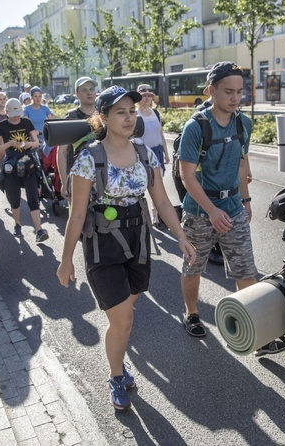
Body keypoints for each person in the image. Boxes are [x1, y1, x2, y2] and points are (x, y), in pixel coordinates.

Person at [56, 85, 195, 411]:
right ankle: (116, 376)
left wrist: (181, 236)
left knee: (125, 311)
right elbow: (76, 214)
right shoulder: (90, 158)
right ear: (102, 117)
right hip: (103, 246)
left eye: (132, 111)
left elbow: (160, 200)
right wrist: (65, 260)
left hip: (139, 243)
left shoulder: (145, 153)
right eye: (121, 111)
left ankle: (117, 356)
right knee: (123, 320)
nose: (130, 117)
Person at [178, 62, 255, 338]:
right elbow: (187, 176)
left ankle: (248, 328)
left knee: (245, 268)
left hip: (233, 207)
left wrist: (246, 201)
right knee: (194, 265)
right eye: (227, 92)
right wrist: (211, 211)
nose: (235, 98)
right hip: (200, 211)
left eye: (239, 92)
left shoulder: (243, 122)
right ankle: (192, 313)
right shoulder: (195, 127)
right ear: (211, 90)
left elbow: (241, 164)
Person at [0, 98, 49, 242]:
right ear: (6, 113)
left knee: (33, 197)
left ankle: (39, 230)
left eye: (18, 113)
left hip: (27, 160)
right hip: (11, 164)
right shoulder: (2, 126)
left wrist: (28, 144)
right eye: (13, 114)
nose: (16, 117)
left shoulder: (26, 122)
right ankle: (17, 224)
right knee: (14, 199)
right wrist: (10, 143)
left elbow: (37, 143)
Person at [56, 76, 98, 198]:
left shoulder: (104, 115)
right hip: (78, 178)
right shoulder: (70, 118)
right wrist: (65, 183)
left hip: (104, 177)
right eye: (84, 90)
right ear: (77, 94)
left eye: (91, 89)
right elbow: (62, 152)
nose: (89, 92)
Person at [136, 83, 170, 230]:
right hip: (140, 154)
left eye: (150, 95)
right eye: (144, 96)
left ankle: (157, 217)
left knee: (158, 187)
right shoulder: (135, 114)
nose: (147, 98)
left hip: (156, 153)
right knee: (140, 186)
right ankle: (141, 218)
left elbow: (160, 134)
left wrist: (166, 154)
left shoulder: (156, 113)